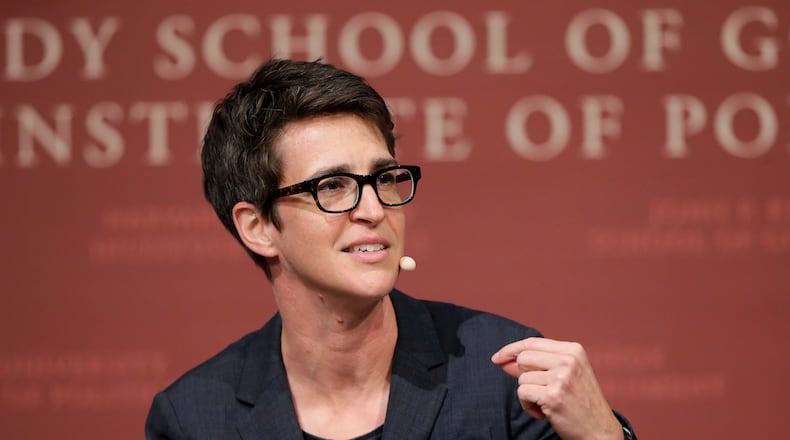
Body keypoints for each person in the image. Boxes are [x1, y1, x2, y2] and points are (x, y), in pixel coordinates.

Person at [145, 58, 636, 440]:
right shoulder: (193, 417)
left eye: (383, 178)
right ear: (258, 228)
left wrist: (602, 435)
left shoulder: (502, 372)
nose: (374, 208)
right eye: (333, 186)